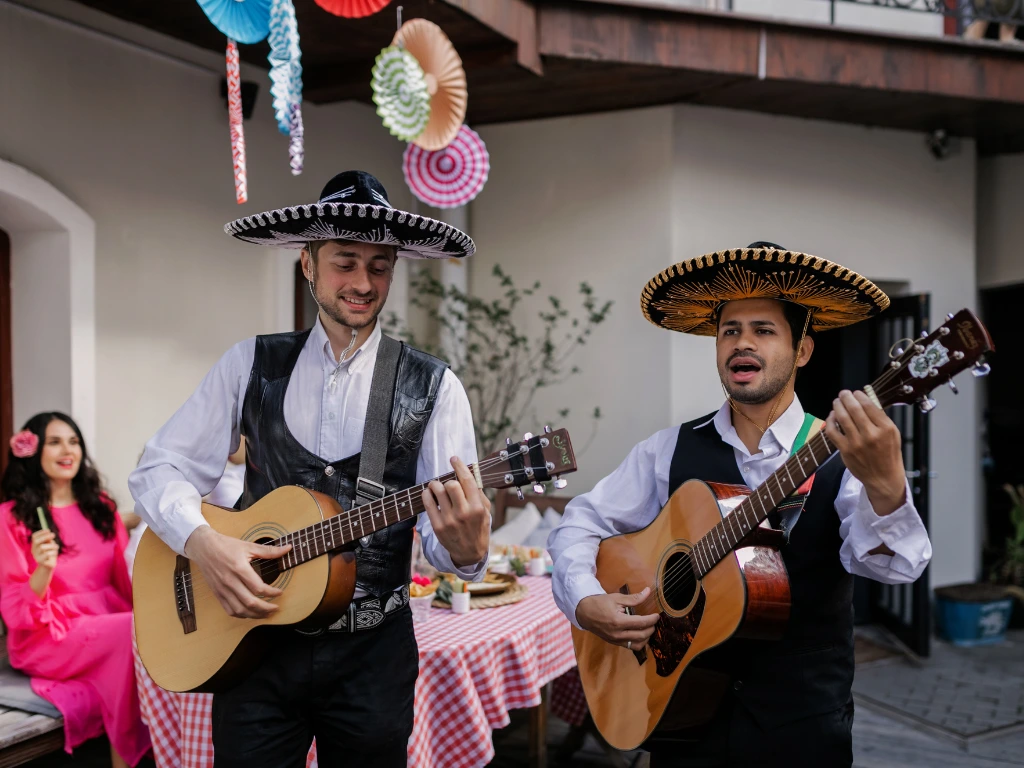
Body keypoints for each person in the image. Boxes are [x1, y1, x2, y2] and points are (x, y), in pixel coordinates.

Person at [129, 170, 491, 768]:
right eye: (345, 261)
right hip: (255, 645)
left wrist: (467, 547)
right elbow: (158, 467)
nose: (362, 282)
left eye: (379, 266)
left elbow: (453, 551)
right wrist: (205, 544)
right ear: (308, 263)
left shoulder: (435, 386)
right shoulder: (251, 362)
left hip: (372, 658)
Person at [548, 243, 933, 767]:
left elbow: (896, 569)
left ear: (802, 351)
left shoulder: (842, 456)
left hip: (799, 730)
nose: (741, 344)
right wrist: (585, 600)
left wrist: (887, 484)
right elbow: (581, 522)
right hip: (678, 722)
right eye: (730, 330)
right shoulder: (667, 449)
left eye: (763, 330)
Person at [0, 412, 151, 767]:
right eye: (54, 442)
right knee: (131, 630)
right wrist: (43, 570)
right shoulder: (12, 517)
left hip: (105, 626)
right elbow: (15, 612)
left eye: (73, 441)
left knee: (145, 627)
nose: (67, 450)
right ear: (33, 452)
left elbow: (121, 583)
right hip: (46, 635)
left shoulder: (101, 507)